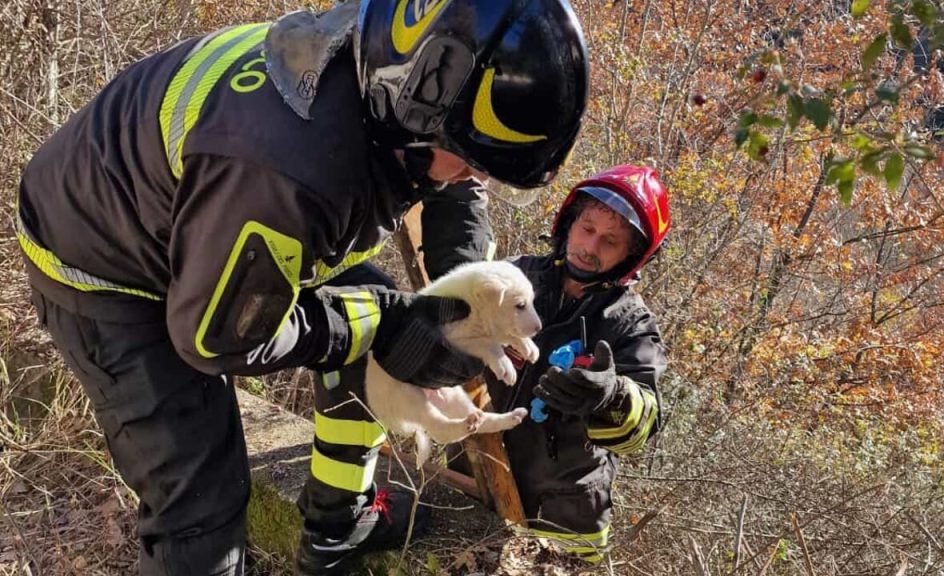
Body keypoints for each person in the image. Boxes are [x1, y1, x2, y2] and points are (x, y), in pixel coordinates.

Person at [16, 0, 589, 574]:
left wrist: (457, 308)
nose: (474, 178)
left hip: (205, 211)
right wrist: (380, 323)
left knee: (381, 321)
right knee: (199, 499)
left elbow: (454, 194)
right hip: (104, 262)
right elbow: (218, 339)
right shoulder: (289, 172)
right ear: (414, 109)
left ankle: (338, 522)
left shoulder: (390, 66)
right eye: (470, 163)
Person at [485, 165, 669, 564]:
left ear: (630, 256)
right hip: (479, 473)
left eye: (610, 241)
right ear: (568, 221)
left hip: (567, 517)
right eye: (587, 228)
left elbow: (644, 425)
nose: (590, 247)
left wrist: (611, 396)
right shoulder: (514, 277)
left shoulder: (631, 325)